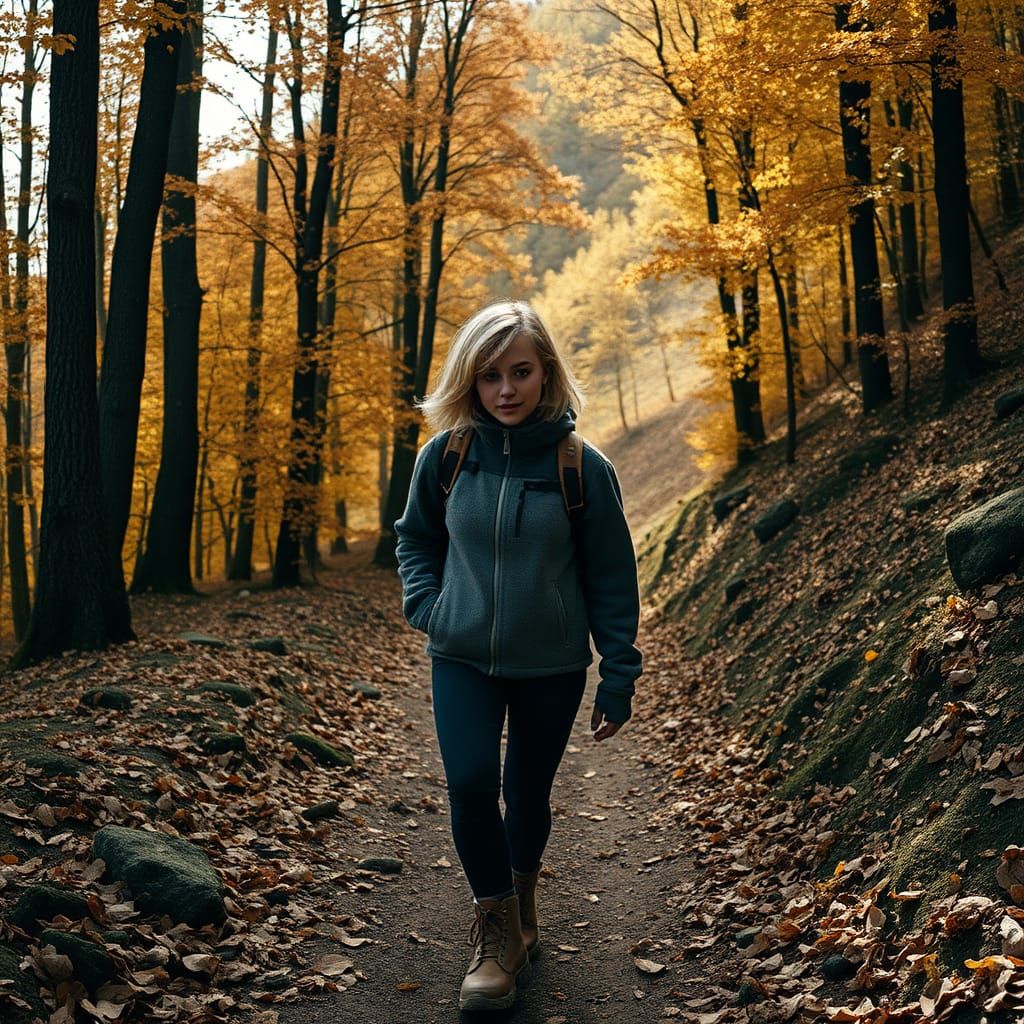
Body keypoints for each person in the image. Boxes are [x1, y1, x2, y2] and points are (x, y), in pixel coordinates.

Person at [394, 299, 642, 1012]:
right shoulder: (445, 457)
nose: (506, 389)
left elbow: (611, 577)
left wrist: (618, 675)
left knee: (526, 792)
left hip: (551, 666)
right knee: (471, 782)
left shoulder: (582, 467)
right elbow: (415, 539)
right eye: (490, 375)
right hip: (461, 656)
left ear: (547, 372)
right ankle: (497, 926)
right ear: (470, 380)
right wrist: (429, 606)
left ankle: (521, 907)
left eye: (522, 372)